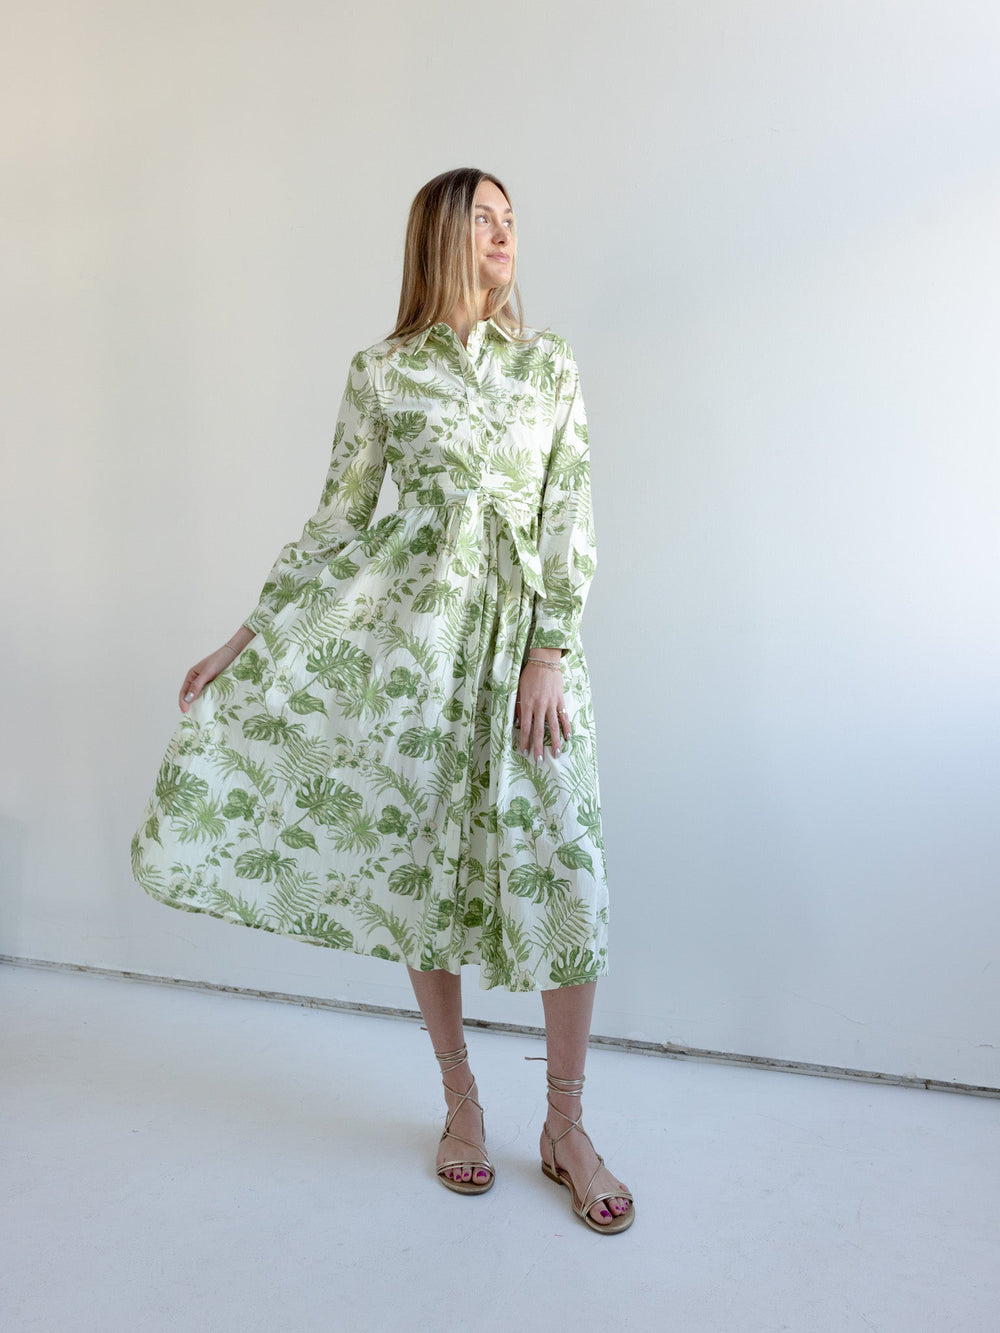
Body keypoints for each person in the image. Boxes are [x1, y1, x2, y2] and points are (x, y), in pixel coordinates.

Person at [131, 167, 634, 1233]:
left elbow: (569, 508)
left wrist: (549, 647)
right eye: (484, 219)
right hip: (417, 652)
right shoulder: (383, 373)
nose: (505, 235)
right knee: (422, 864)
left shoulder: (547, 364)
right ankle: (462, 1104)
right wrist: (248, 636)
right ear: (441, 236)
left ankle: (565, 1125)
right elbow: (340, 523)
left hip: (524, 649)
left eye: (511, 220)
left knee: (567, 873)